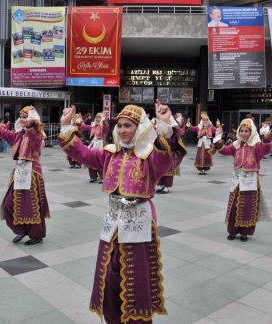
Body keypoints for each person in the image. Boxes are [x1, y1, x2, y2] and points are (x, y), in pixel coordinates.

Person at [58, 100, 186, 324]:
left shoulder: (149, 157)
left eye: (128, 126)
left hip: (139, 222)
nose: (123, 130)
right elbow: (83, 154)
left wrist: (165, 125)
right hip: (112, 221)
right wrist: (67, 127)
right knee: (109, 276)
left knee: (135, 276)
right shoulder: (109, 154)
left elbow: (166, 156)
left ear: (139, 128)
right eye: (120, 126)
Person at [0, 105, 50, 246]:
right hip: (19, 172)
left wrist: (30, 123)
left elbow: (34, 132)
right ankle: (21, 229)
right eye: (21, 117)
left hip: (33, 172)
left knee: (31, 206)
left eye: (25, 117)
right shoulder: (19, 135)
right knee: (8, 204)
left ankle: (37, 234)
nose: (22, 119)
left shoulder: (37, 135)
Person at [211, 118, 272, 242]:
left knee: (247, 207)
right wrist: (218, 139)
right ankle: (233, 231)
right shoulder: (236, 145)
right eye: (242, 131)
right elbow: (224, 150)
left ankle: (245, 232)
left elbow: (266, 150)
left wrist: (266, 138)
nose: (243, 133)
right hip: (237, 181)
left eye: (246, 131)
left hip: (251, 182)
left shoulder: (257, 145)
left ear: (252, 132)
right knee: (234, 206)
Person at [156, 112, 186, 194]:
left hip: (170, 152)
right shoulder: (159, 125)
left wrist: (176, 123)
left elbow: (181, 132)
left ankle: (166, 187)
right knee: (160, 170)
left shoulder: (173, 127)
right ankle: (161, 186)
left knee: (168, 170)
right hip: (161, 152)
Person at [80, 112, 108, 182]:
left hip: (101, 144)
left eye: (99, 117)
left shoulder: (103, 126)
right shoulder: (93, 126)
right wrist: (80, 120)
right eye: (97, 117)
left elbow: (105, 127)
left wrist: (104, 120)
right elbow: (85, 127)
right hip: (94, 143)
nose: (98, 119)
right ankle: (93, 176)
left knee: (100, 160)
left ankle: (103, 177)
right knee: (91, 160)